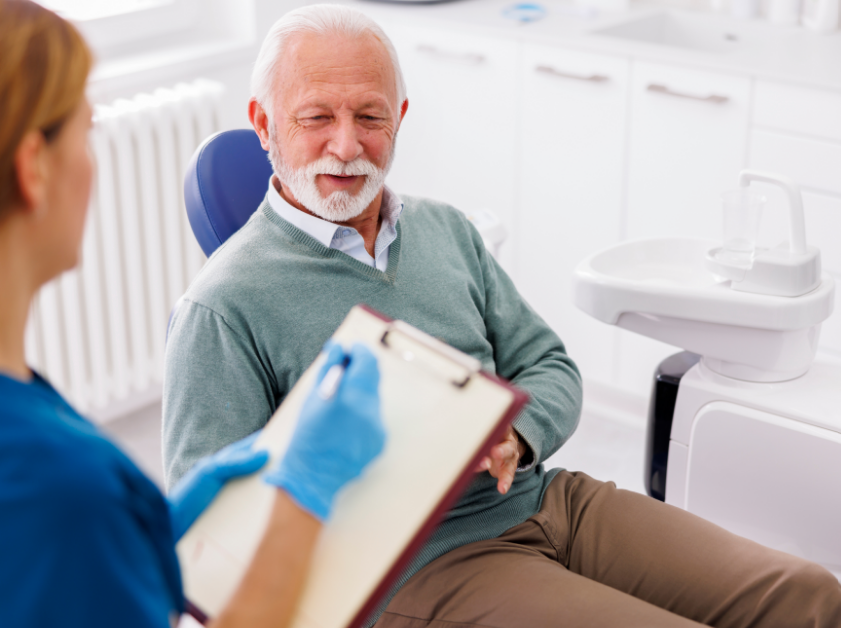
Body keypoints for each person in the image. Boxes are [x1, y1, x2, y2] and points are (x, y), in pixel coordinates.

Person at [161, 4, 841, 628]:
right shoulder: (223, 306)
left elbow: (548, 366)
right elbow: (214, 546)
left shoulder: (443, 231)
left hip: (546, 500)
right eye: (316, 117)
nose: (346, 145)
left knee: (809, 594)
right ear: (263, 123)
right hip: (422, 566)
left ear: (399, 118)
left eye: (369, 117)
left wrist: (514, 437)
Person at [0, 2, 386, 627]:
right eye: (87, 130)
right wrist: (305, 495)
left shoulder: (30, 416)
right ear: (33, 168)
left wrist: (150, 531)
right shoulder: (53, 490)